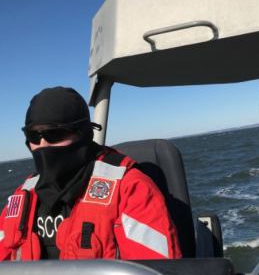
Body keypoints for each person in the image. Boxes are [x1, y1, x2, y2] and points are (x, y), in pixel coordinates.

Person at [0, 87, 182, 261]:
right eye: (33, 136)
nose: (42, 145)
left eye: (54, 134)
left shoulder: (131, 189)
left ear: (83, 133)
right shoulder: (22, 196)